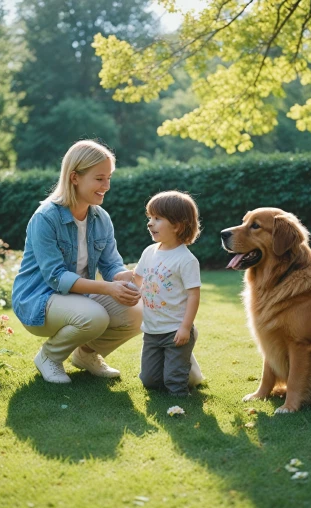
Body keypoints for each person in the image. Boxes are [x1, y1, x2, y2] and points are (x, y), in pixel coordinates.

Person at [12, 140, 142, 384]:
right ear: (75, 177)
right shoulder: (46, 218)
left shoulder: (100, 217)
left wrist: (131, 277)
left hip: (77, 299)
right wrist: (107, 288)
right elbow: (56, 278)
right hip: (38, 299)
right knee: (95, 316)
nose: (107, 186)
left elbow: (112, 265)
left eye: (109, 178)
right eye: (100, 178)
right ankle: (49, 357)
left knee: (137, 312)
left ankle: (86, 355)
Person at [115, 191, 203, 397]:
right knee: (150, 381)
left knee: (174, 384)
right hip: (152, 330)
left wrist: (185, 327)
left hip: (175, 330)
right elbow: (139, 277)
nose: (150, 223)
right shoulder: (149, 252)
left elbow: (193, 296)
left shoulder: (186, 260)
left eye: (157, 218)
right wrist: (124, 276)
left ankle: (182, 388)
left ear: (177, 225)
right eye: (149, 218)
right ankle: (182, 367)